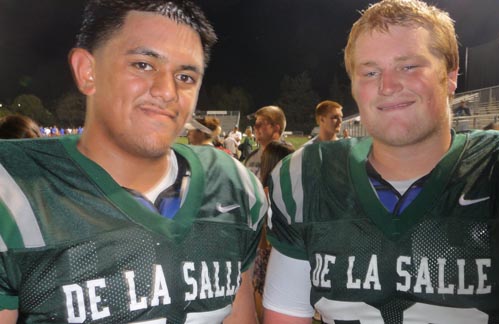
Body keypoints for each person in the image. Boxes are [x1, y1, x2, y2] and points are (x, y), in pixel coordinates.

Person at [263, 1, 499, 323]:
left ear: (451, 75)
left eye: (408, 66)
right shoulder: (307, 174)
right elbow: (286, 315)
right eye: (370, 72)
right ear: (354, 87)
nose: (387, 86)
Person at [0, 1, 267, 323]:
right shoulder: (13, 189)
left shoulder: (232, 184)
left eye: (185, 76)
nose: (168, 91)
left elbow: (239, 314)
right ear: (88, 71)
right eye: (143, 65)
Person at [252, 141, 295, 323]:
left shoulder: (264, 194)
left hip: (266, 260)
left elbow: (261, 239)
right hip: (288, 261)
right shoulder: (295, 192)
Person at [244, 105, 287, 178]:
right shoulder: (251, 158)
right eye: (256, 124)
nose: (255, 127)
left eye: (260, 124)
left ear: (276, 129)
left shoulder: (288, 159)